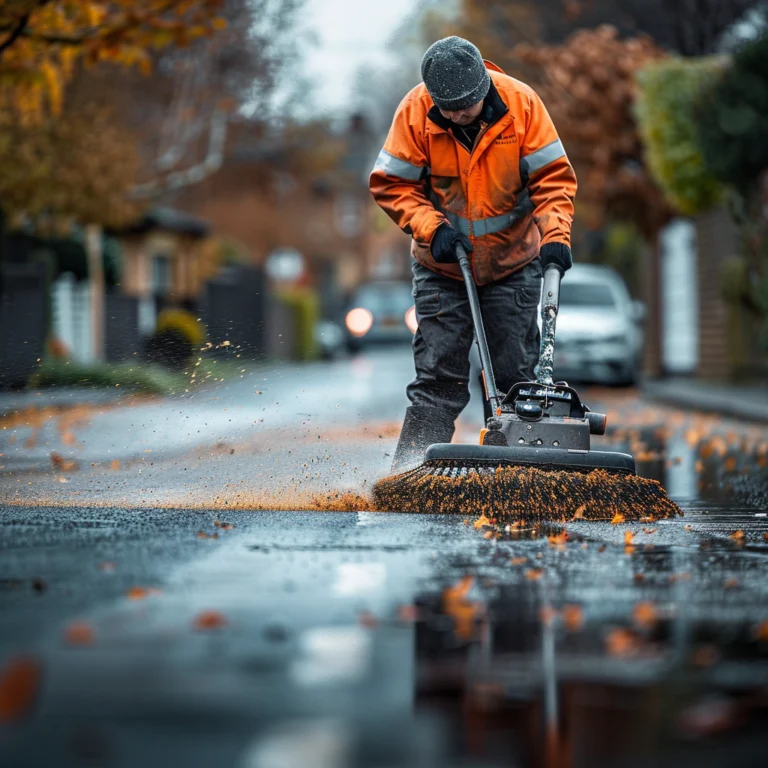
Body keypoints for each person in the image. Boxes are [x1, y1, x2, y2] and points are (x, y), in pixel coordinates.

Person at [369, 36, 577, 472]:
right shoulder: (414, 112)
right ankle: (409, 474)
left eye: (466, 106)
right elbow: (391, 184)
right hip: (441, 266)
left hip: (513, 265)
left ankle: (522, 474)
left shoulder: (523, 106)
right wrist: (431, 228)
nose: (458, 115)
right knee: (437, 376)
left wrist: (555, 236)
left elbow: (552, 182)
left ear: (484, 88)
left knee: (513, 379)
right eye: (448, 109)